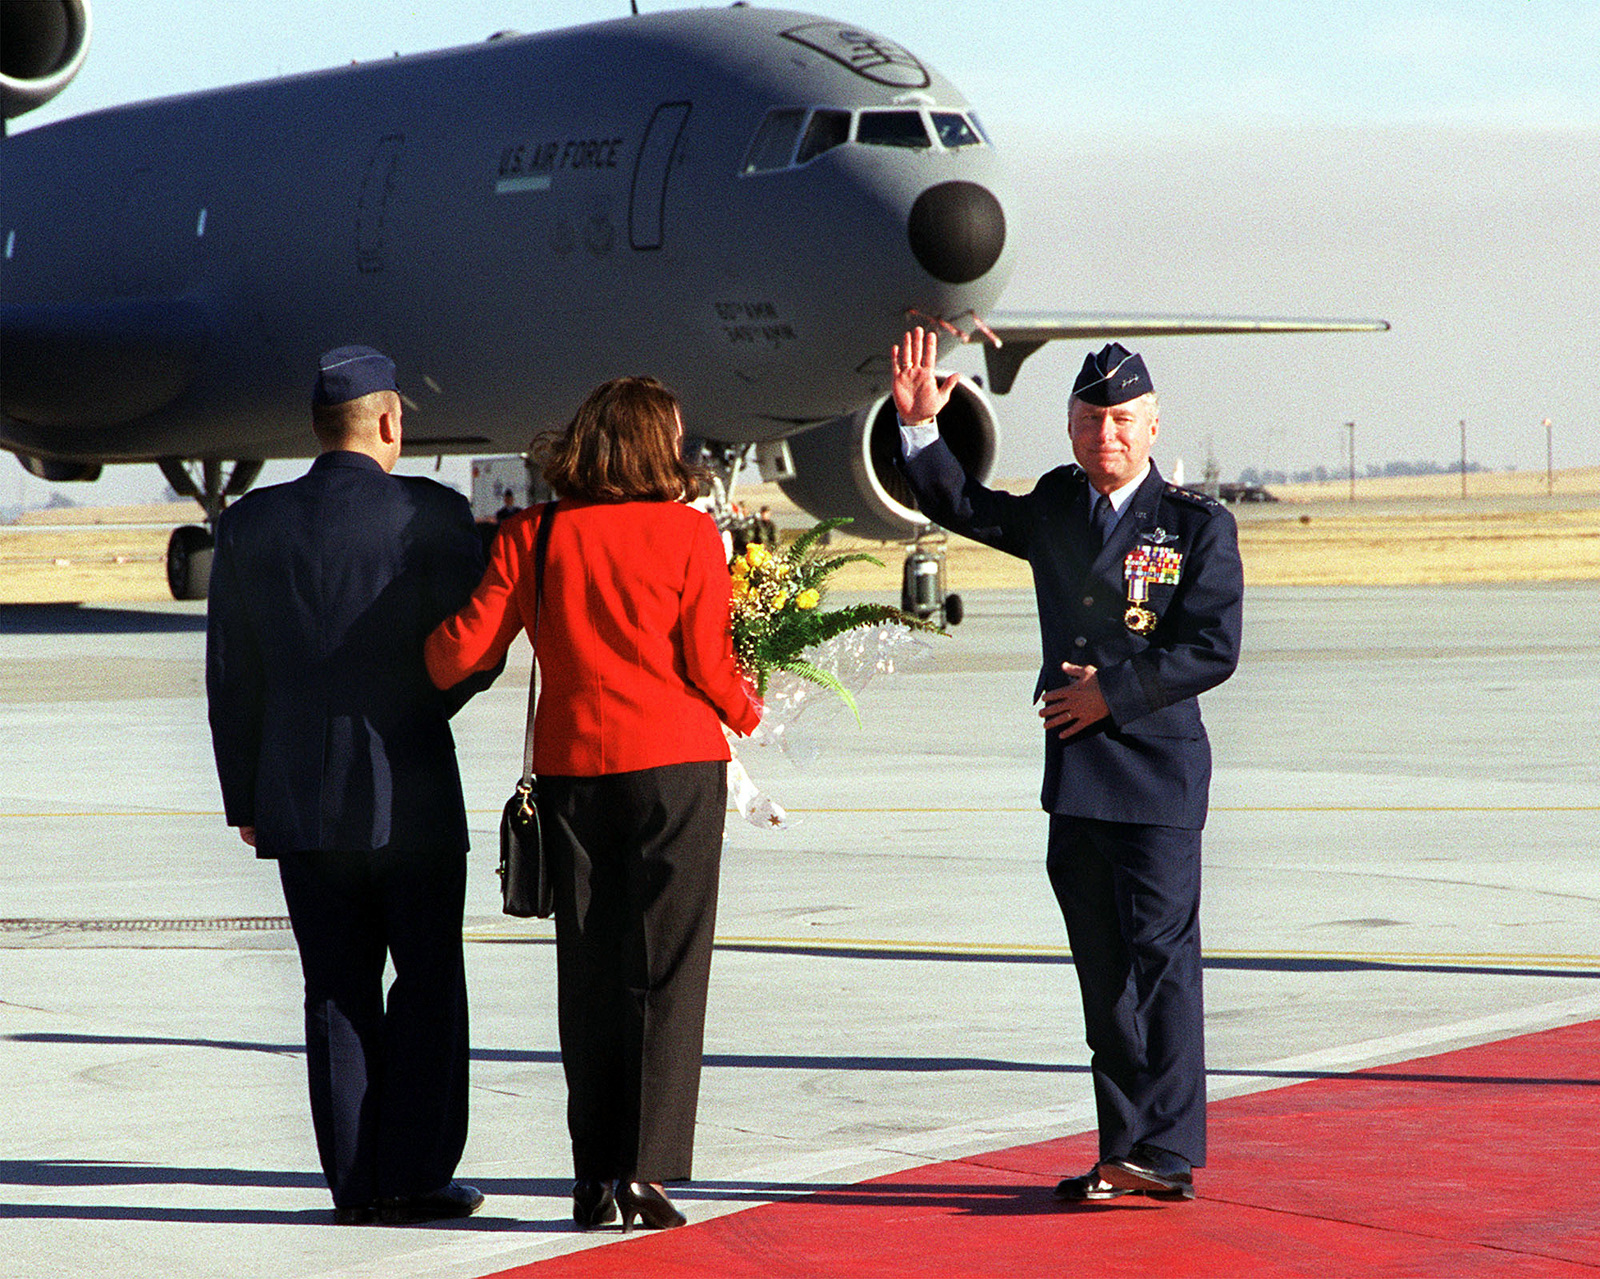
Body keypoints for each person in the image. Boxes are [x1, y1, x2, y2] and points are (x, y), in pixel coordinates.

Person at [891, 327, 1242, 1203]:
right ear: (1072, 426)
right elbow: (968, 509)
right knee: (1102, 973)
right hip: (1078, 781)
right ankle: (1124, 1147)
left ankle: (1165, 1149)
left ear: (1154, 426)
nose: (1106, 434)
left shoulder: (1196, 524)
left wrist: (1111, 695)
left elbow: (1214, 648)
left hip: (1155, 776)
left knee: (1163, 963)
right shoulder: (1055, 504)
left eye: (1123, 419)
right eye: (1090, 418)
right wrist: (920, 431)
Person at [425, 375, 762, 1232]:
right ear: (655, 445)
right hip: (675, 769)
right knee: (666, 974)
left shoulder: (529, 534)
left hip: (573, 773)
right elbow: (708, 664)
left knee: (588, 975)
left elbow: (458, 651)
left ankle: (591, 1175)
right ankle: (645, 1170)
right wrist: (754, 709)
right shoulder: (688, 535)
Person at [206, 346, 496, 1226]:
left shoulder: (252, 525)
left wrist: (246, 800)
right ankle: (415, 1173)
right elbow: (468, 655)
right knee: (429, 982)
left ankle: (355, 1184)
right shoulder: (434, 515)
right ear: (390, 421)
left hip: (298, 799)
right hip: (409, 791)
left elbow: (230, 678)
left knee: (335, 990)